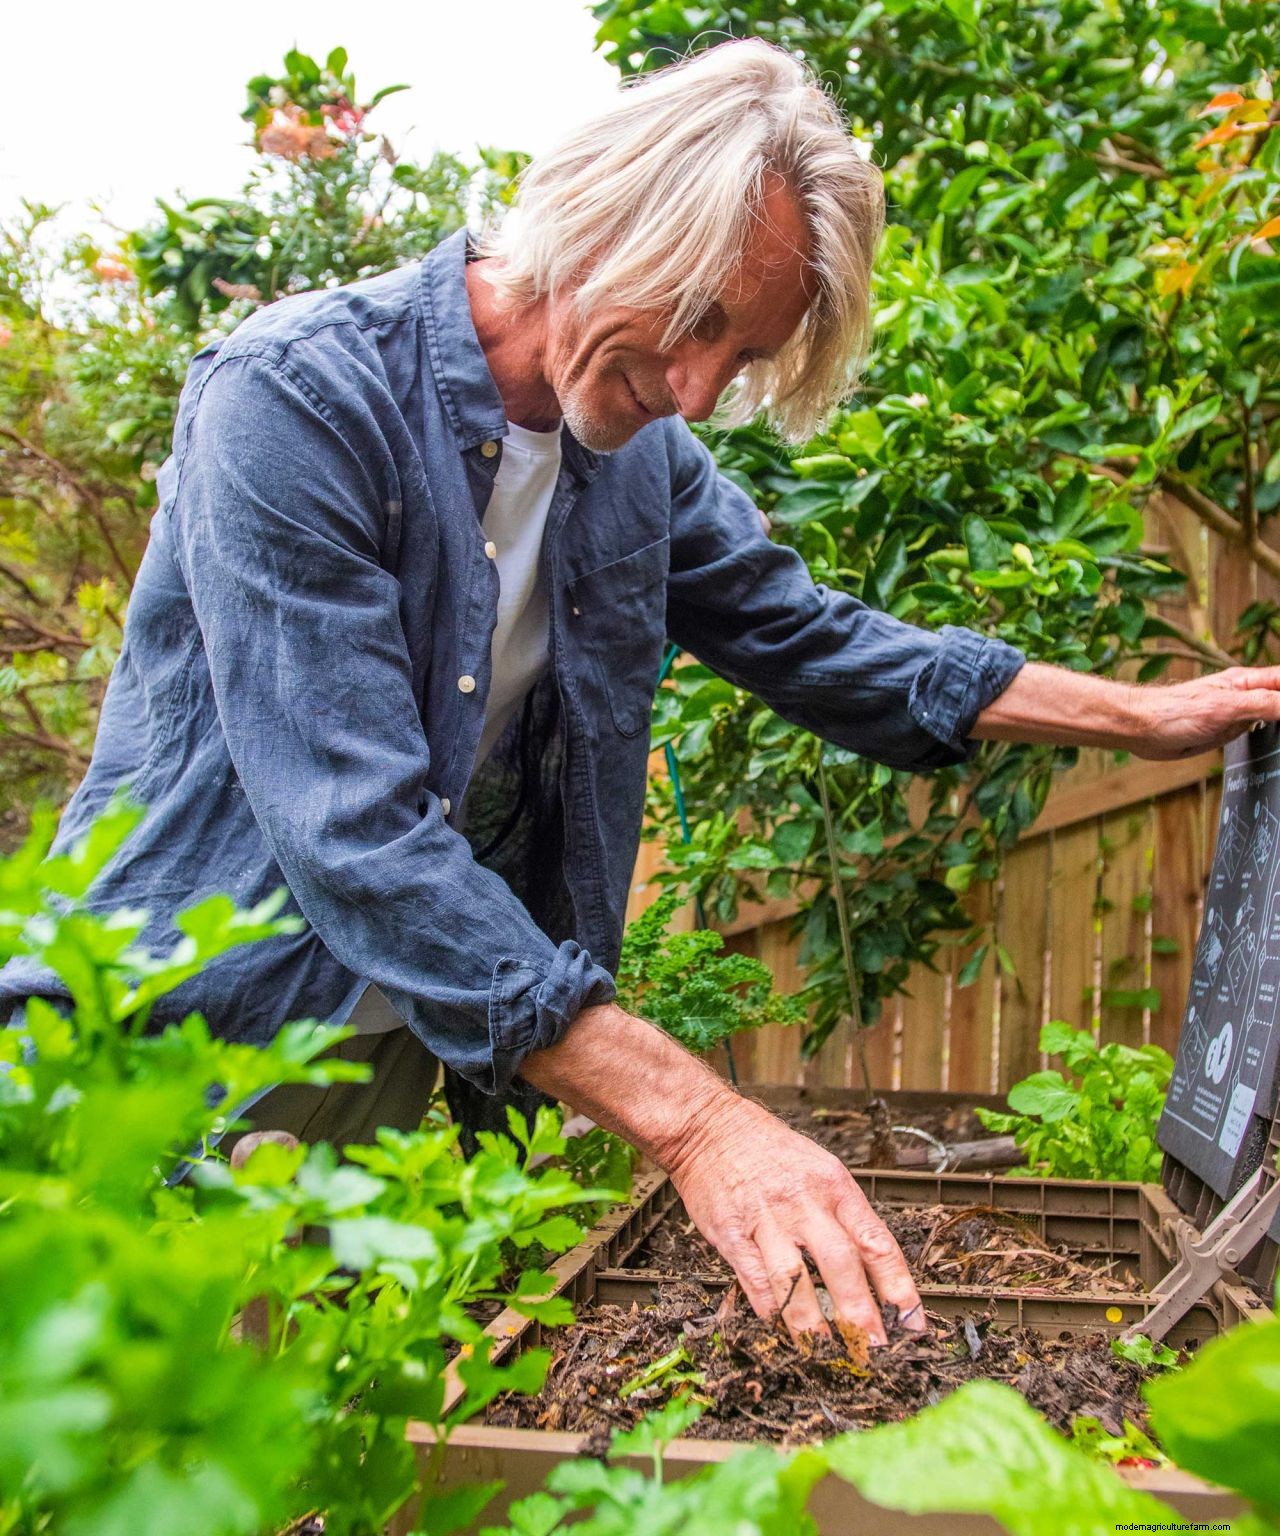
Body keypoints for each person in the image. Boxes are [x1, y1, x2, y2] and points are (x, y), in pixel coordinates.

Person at [4, 38, 1279, 1349]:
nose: (694, 389)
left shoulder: (635, 463)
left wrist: (1150, 716)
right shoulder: (300, 402)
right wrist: (700, 1119)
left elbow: (811, 637)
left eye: (742, 357)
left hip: (390, 1041)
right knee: (98, 1440)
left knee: (290, 1435)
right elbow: (355, 832)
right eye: (699, 322)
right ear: (607, 217)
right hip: (185, 1026)